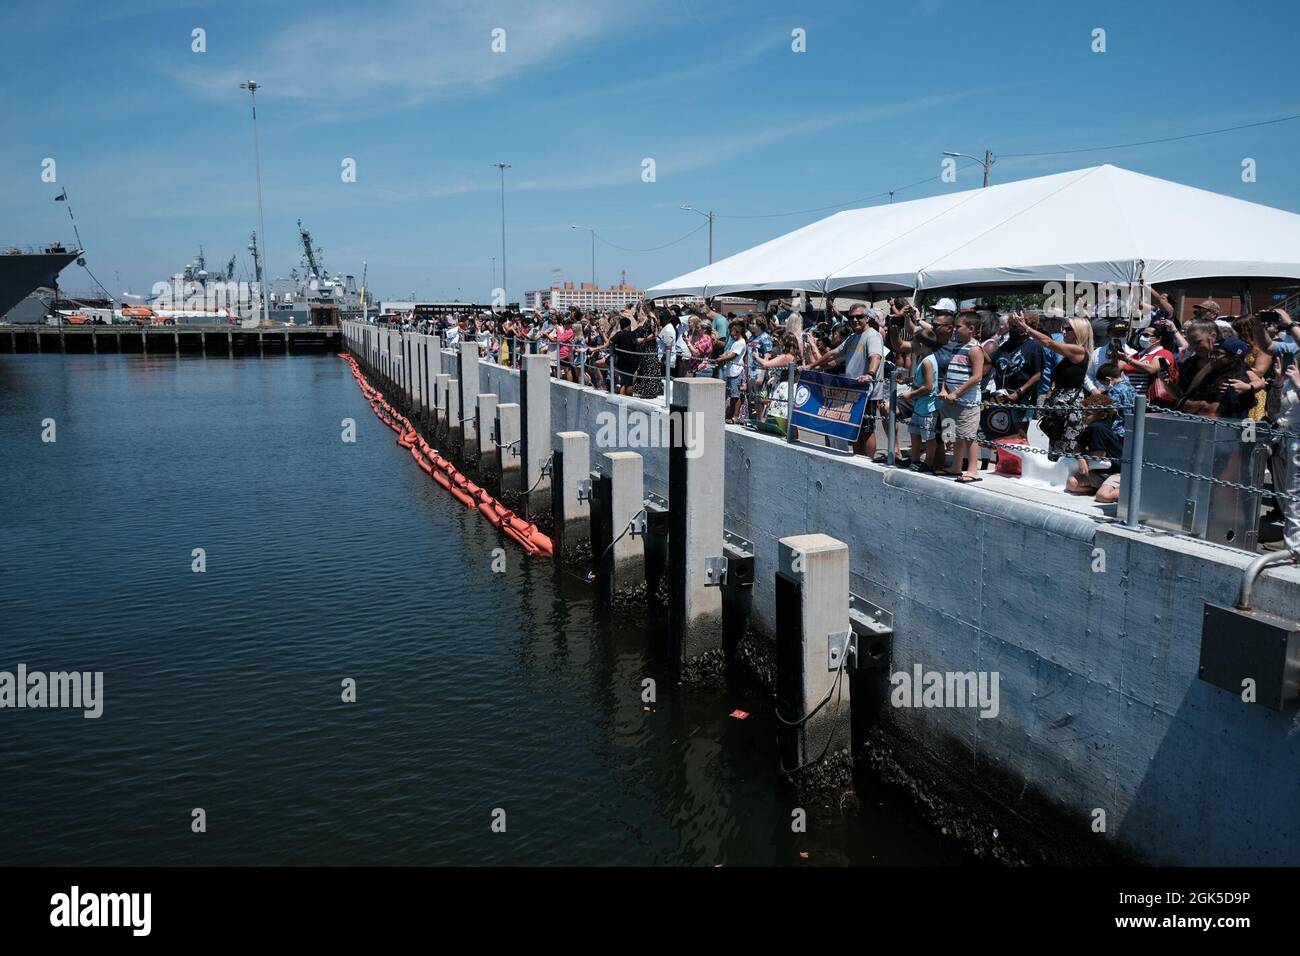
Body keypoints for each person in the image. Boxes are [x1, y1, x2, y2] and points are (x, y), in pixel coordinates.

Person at [1012, 312, 1094, 456]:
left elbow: (1049, 342)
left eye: (1068, 329)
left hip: (1070, 408)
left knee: (1065, 451)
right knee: (1055, 448)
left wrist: (1025, 327)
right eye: (1064, 328)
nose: (1064, 331)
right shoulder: (1071, 352)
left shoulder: (1078, 350)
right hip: (1060, 406)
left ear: (1078, 332)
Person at [938, 313, 985, 482]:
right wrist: (944, 389)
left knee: (969, 436)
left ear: (971, 329)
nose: (955, 330)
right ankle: (956, 466)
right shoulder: (957, 347)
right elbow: (948, 372)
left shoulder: (975, 349)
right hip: (952, 399)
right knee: (956, 435)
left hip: (968, 401)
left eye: (958, 327)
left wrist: (956, 393)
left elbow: (977, 376)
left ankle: (973, 469)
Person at [991, 313, 1045, 434]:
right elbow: (991, 361)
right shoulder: (1006, 345)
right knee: (1001, 434)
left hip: (1023, 399)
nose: (1013, 328)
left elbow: (1037, 374)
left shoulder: (1034, 346)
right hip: (1002, 396)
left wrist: (1019, 392)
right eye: (1012, 325)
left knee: (1019, 434)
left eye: (1017, 325)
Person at [1066, 393, 1123, 503]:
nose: (1083, 416)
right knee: (1071, 483)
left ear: (1102, 415)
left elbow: (1097, 456)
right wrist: (1080, 458)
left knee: (1103, 496)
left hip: (1117, 471)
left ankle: (1129, 491)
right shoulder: (1090, 428)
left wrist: (1083, 457)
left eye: (1088, 414)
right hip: (1101, 471)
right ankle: (1099, 488)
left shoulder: (1098, 427)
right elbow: (1078, 447)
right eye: (1083, 412)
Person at [901, 330, 941, 471]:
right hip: (920, 406)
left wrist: (909, 396)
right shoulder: (923, 359)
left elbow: (929, 387)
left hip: (928, 407)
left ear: (921, 344)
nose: (912, 346)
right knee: (915, 432)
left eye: (914, 344)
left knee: (929, 437)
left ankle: (928, 463)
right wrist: (910, 380)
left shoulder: (927, 362)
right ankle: (915, 459)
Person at [717, 319, 749, 421]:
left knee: (736, 395)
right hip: (731, 371)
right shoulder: (735, 343)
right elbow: (728, 353)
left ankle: (735, 416)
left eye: (731, 331)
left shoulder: (741, 342)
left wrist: (720, 359)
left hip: (736, 372)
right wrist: (722, 356)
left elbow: (732, 356)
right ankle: (730, 414)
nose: (730, 334)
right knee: (731, 395)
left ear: (736, 331)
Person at [610, 316, 641, 396]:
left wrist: (614, 350)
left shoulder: (619, 334)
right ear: (629, 325)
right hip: (634, 362)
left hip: (623, 362)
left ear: (620, 326)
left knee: (623, 383)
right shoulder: (633, 334)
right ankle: (629, 400)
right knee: (629, 383)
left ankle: (622, 403)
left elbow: (611, 342)